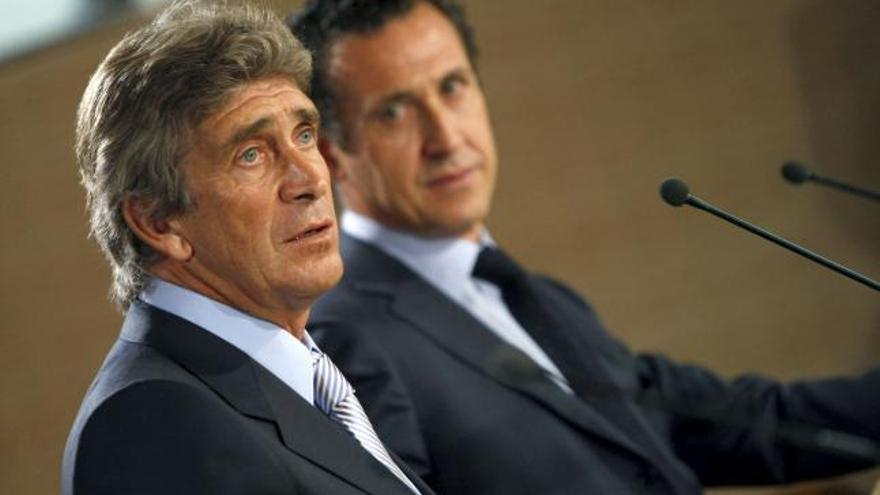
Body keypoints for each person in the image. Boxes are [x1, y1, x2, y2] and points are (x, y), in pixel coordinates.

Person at [288, 1, 880, 494]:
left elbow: (736, 422)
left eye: (453, 87)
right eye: (394, 111)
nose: (446, 138)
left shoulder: (537, 298)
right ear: (333, 152)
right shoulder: (345, 341)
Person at [61, 2, 435, 494]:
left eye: (304, 134)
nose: (310, 179)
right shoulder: (154, 424)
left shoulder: (306, 380)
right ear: (158, 221)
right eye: (252, 154)